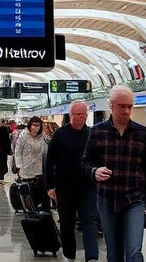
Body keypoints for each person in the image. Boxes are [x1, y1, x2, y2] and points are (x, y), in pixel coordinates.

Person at [82, 86, 146, 262]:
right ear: (111, 106)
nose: (126, 110)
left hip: (135, 199)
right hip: (107, 199)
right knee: (114, 253)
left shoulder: (142, 133)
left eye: (130, 106)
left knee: (134, 252)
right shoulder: (97, 132)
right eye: (122, 106)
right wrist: (95, 171)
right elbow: (85, 162)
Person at [46, 101, 100, 262]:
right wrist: (50, 186)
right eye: (76, 114)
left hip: (87, 186)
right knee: (67, 222)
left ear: (86, 116)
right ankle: (69, 254)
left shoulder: (91, 134)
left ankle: (92, 256)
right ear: (70, 116)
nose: (79, 117)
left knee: (89, 220)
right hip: (64, 187)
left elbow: (97, 159)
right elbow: (49, 161)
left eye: (82, 114)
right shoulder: (60, 134)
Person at [15, 115, 50, 209]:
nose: (35, 127)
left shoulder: (43, 137)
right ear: (30, 125)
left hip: (40, 169)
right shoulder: (23, 136)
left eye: (38, 125)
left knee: (41, 191)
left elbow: (47, 150)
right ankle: (30, 209)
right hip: (26, 169)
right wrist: (19, 166)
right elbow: (18, 152)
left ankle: (42, 209)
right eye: (34, 125)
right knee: (29, 191)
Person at [0, 119, 13, 184]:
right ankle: (1, 178)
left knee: (0, 163)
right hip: (3, 149)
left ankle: (1, 177)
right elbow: (6, 141)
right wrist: (8, 150)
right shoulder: (3, 129)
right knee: (2, 163)